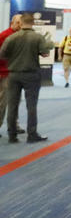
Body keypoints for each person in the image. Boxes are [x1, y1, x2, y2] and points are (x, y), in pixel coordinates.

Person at [0, 13, 54, 143]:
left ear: (21, 23)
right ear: (33, 23)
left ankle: (12, 135)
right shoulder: (37, 37)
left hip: (13, 74)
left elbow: (2, 54)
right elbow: (45, 52)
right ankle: (32, 134)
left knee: (12, 105)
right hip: (31, 74)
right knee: (31, 105)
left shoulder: (11, 37)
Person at [0, 15, 24, 135]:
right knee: (2, 102)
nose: (20, 25)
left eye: (22, 23)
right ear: (12, 23)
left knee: (16, 101)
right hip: (4, 74)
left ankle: (14, 125)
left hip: (16, 73)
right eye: (18, 23)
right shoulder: (4, 36)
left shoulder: (21, 36)